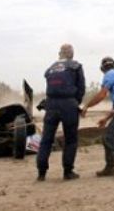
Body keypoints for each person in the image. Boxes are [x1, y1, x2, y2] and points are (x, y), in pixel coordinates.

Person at [36, 43, 86, 181]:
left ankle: (41, 173)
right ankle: (68, 172)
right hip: (68, 104)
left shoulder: (50, 69)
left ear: (60, 53)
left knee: (46, 139)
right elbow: (81, 88)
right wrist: (76, 102)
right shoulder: (76, 66)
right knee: (70, 139)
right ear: (70, 53)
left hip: (51, 104)